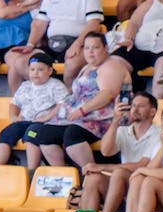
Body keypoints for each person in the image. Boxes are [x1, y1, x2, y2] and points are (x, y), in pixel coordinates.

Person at [30, 31, 131, 169]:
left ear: (106, 48)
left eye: (95, 48)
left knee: (73, 134)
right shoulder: (87, 67)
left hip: (106, 118)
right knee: (46, 135)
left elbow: (107, 94)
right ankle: (64, 177)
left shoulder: (111, 66)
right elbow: (72, 96)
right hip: (79, 117)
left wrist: (82, 111)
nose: (90, 52)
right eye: (87, 48)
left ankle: (90, 174)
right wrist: (50, 115)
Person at [6, 0, 101, 90]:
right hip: (52, 44)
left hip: (78, 43)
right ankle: (51, 92)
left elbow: (94, 24)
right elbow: (39, 23)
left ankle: (68, 100)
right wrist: (30, 44)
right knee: (21, 62)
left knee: (72, 65)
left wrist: (77, 44)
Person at [78, 91, 158, 212]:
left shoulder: (158, 134)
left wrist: (101, 167)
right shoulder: (123, 130)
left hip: (144, 188)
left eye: (141, 106)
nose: (135, 109)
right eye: (133, 106)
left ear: (152, 112)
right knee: (93, 178)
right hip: (122, 187)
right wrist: (115, 121)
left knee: (119, 173)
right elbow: (106, 151)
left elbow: (141, 165)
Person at [0, 49, 70, 167]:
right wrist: (13, 117)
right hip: (24, 120)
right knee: (6, 133)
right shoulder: (25, 85)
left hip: (44, 123)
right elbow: (14, 104)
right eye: (32, 69)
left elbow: (62, 105)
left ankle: (32, 170)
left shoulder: (56, 85)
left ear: (49, 71)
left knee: (32, 135)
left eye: (40, 69)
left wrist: (46, 117)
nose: (35, 73)